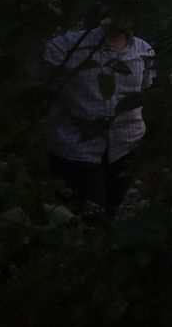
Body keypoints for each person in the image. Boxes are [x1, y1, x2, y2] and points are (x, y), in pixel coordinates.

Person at [44, 17, 153, 214]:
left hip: (125, 146)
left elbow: (144, 90)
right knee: (83, 217)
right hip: (77, 149)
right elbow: (30, 79)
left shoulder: (144, 50)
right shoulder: (68, 46)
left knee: (111, 208)